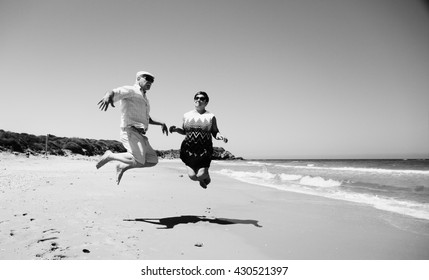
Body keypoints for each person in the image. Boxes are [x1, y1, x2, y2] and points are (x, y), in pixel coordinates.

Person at [96, 71, 168, 185]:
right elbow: (114, 91)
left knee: (152, 160)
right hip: (130, 130)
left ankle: (122, 167)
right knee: (139, 159)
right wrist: (108, 95)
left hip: (141, 134)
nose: (150, 82)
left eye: (152, 80)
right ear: (138, 78)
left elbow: (146, 118)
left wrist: (161, 123)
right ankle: (110, 155)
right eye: (147, 78)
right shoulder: (131, 90)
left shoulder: (144, 98)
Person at [169, 91, 228, 189]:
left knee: (201, 175)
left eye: (202, 98)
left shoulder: (211, 116)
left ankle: (204, 176)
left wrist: (220, 136)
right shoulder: (186, 115)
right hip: (188, 149)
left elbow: (215, 132)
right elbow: (184, 131)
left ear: (206, 102)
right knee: (192, 176)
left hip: (204, 150)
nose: (198, 100)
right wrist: (176, 130)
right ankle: (200, 179)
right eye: (196, 98)